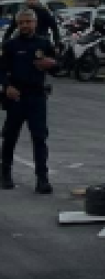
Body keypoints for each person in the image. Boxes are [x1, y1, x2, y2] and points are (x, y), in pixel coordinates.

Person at [0, 10, 58, 193]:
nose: (25, 25)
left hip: (37, 97)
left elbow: (58, 66)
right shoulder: (10, 45)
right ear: (17, 24)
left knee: (39, 138)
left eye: (28, 21)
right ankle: (5, 174)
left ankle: (42, 179)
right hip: (16, 96)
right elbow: (1, 70)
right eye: (22, 22)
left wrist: (53, 64)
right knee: (10, 137)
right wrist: (6, 86)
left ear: (35, 23)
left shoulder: (44, 43)